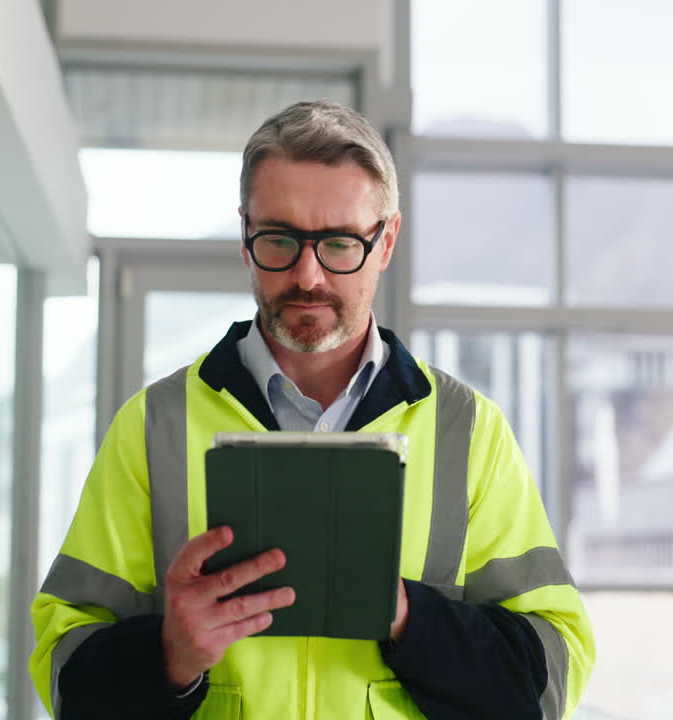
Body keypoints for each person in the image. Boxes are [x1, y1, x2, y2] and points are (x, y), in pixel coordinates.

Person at [30, 100, 595, 719]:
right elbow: (66, 679)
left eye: (340, 243)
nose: (308, 274)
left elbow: (550, 681)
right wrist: (170, 654)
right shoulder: (152, 428)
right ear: (246, 235)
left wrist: (406, 615)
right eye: (280, 239)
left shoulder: (470, 434)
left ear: (386, 242)